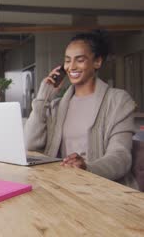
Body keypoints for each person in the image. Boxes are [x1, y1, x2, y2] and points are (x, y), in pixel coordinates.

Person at [24, 30, 137, 189]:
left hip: (104, 189)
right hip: (63, 186)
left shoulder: (118, 101)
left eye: (80, 60)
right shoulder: (56, 106)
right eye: (67, 61)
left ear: (97, 61)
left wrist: (87, 168)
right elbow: (30, 145)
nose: (71, 67)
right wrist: (43, 97)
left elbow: (121, 157)